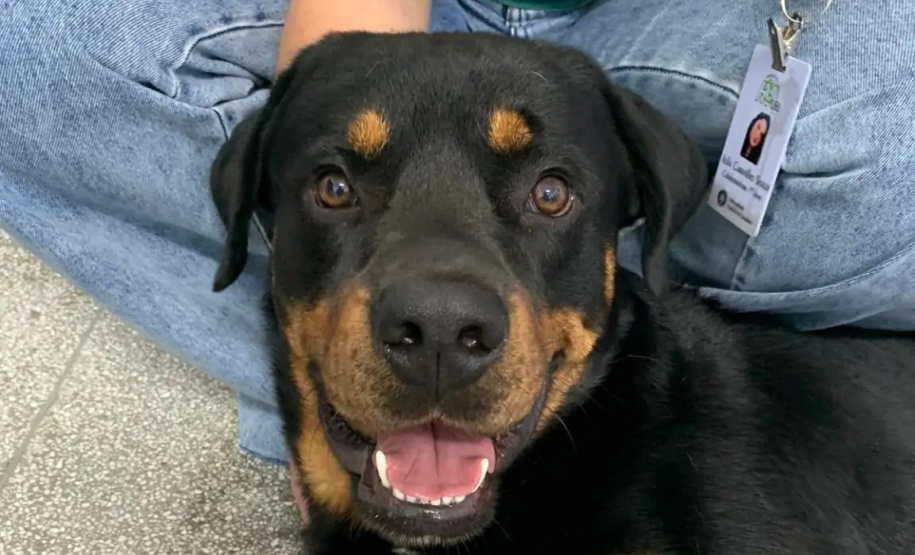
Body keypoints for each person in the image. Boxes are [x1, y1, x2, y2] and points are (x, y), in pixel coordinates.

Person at [1, 0, 913, 521]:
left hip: (697, 22)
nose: (442, 312)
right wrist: (345, 78)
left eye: (551, 195)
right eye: (333, 187)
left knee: (873, 149)